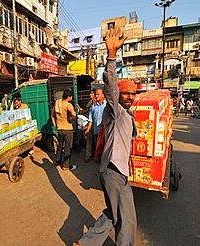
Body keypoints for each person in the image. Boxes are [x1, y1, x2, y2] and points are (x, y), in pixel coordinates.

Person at [74, 27, 137, 246]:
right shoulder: (115, 110)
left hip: (113, 171)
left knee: (113, 212)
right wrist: (111, 57)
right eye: (126, 93)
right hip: (113, 171)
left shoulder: (128, 116)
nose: (129, 97)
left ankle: (87, 243)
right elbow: (111, 88)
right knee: (127, 220)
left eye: (133, 94)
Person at [51, 89, 77, 171]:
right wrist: (72, 120)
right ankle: (66, 165)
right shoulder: (68, 105)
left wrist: (55, 125)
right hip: (68, 129)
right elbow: (74, 114)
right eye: (71, 96)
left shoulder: (57, 103)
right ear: (68, 97)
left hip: (60, 129)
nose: (72, 98)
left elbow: (52, 116)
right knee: (68, 147)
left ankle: (57, 161)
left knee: (60, 145)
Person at [84, 88, 107, 163]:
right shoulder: (93, 106)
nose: (96, 96)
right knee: (97, 146)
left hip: (105, 131)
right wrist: (87, 130)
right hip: (96, 130)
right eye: (95, 94)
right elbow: (91, 120)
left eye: (98, 94)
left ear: (103, 95)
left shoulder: (107, 105)